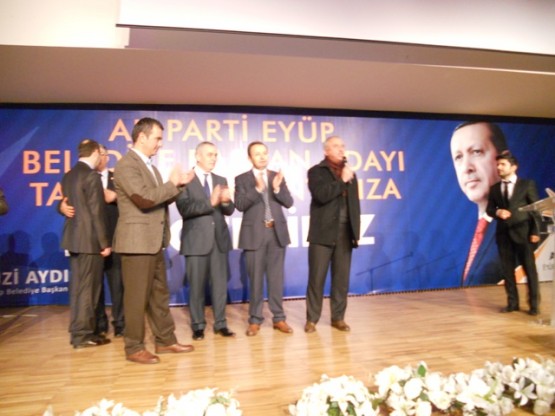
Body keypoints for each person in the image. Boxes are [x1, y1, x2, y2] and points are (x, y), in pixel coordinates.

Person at [113, 117, 195, 364]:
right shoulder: (126, 165)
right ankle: (134, 347)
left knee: (159, 295)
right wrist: (172, 184)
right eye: (157, 138)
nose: (160, 143)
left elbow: (160, 198)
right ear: (142, 137)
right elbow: (144, 199)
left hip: (154, 242)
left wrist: (178, 186)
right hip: (136, 243)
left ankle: (165, 340)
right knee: (136, 298)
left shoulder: (151, 167)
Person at [60, 145, 125, 337]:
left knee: (113, 285)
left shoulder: (116, 177)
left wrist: (116, 197)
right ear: (96, 154)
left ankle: (118, 324)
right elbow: (76, 204)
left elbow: (132, 200)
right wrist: (60, 208)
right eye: (100, 154)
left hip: (111, 237)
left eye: (106, 155)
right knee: (91, 288)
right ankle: (93, 327)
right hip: (93, 241)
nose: (102, 158)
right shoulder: (87, 176)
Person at [176, 142, 236, 341]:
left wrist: (226, 201)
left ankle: (221, 324)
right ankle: (198, 325)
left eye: (215, 155)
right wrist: (210, 202)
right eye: (209, 154)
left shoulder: (220, 179)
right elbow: (185, 209)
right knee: (196, 287)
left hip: (218, 241)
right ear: (198, 156)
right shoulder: (186, 179)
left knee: (220, 286)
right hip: (195, 241)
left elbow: (229, 210)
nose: (214, 158)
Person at [234, 141, 294, 336]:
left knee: (276, 279)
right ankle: (255, 319)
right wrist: (258, 190)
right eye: (257, 154)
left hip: (276, 233)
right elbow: (240, 205)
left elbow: (289, 202)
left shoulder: (276, 177)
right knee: (256, 280)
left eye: (264, 153)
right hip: (254, 235)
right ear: (249, 158)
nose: (262, 157)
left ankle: (279, 318)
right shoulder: (242, 179)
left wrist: (276, 189)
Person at [305, 136, 360, 333]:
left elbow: (354, 204)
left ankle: (338, 318)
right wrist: (342, 181)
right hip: (322, 233)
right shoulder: (316, 171)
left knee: (341, 280)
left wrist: (356, 231)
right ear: (326, 151)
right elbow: (321, 195)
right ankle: (312, 319)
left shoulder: (350, 173)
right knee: (316, 278)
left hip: (345, 233)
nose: (341, 149)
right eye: (336, 146)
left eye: (342, 146)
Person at [450, 121, 508, 286]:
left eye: (476, 152)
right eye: (458, 157)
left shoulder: (522, 222)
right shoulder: (464, 236)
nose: (466, 167)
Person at [486, 152, 541, 315]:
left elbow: (535, 210)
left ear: (514, 167)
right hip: (503, 235)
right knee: (507, 271)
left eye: (502, 164)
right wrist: (498, 212)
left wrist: (535, 231)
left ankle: (534, 305)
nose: (499, 167)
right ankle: (512, 303)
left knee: (529, 270)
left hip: (524, 234)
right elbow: (489, 209)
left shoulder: (527, 185)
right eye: (498, 165)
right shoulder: (495, 188)